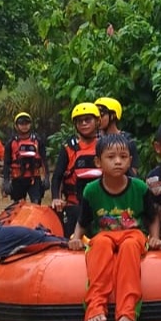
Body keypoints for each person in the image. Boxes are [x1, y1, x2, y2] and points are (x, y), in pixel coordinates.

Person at [69, 133, 161, 321]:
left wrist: (155, 237)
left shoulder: (140, 187)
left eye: (123, 157)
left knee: (129, 247)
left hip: (133, 234)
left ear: (130, 160)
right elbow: (83, 221)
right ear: (98, 162)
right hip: (104, 234)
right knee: (100, 244)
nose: (118, 161)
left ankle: (127, 311)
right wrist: (76, 238)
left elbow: (153, 217)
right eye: (111, 157)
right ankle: (95, 307)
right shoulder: (91, 191)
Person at [51, 102, 103, 238]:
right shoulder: (69, 147)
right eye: (80, 121)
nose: (84, 123)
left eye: (88, 120)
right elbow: (57, 176)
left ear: (97, 121)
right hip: (74, 205)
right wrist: (56, 198)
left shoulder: (105, 145)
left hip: (103, 206)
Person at [4, 112, 46, 205]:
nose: (24, 126)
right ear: (16, 126)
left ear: (30, 124)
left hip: (34, 178)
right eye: (21, 123)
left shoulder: (38, 141)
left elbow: (44, 160)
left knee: (36, 204)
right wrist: (6, 181)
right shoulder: (11, 143)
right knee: (18, 205)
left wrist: (46, 178)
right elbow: (6, 163)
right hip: (17, 179)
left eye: (26, 123)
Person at [94, 96, 139, 173]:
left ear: (113, 116)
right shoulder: (94, 140)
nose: (98, 120)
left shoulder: (128, 141)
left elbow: (133, 171)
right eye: (95, 117)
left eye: (101, 115)